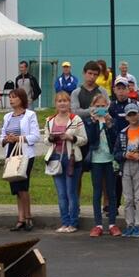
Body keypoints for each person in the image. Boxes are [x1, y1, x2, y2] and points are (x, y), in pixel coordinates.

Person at [44, 90, 87, 232]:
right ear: (56, 104)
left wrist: (70, 138)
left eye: (65, 101)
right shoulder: (50, 120)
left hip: (71, 158)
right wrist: (51, 138)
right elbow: (45, 140)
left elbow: (84, 140)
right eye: (59, 101)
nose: (62, 103)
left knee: (71, 192)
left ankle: (73, 223)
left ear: (69, 103)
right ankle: (64, 222)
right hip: (55, 158)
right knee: (61, 193)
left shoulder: (76, 119)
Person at [0, 87, 40, 231]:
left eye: (14, 97)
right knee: (16, 188)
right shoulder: (7, 117)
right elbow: (2, 136)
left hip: (25, 153)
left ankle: (28, 217)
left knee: (23, 186)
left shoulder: (30, 115)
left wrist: (19, 138)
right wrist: (6, 139)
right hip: (11, 152)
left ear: (21, 99)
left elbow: (35, 136)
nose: (11, 99)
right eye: (10, 97)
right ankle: (20, 218)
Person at [113, 102, 139, 237]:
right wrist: (125, 155)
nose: (132, 117)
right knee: (128, 198)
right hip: (125, 166)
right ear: (126, 117)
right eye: (129, 115)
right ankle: (129, 224)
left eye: (134, 114)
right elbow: (116, 152)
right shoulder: (122, 133)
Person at [84, 93, 121, 237]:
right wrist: (94, 122)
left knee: (111, 192)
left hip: (110, 159)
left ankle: (112, 223)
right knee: (97, 192)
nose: (100, 109)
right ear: (92, 107)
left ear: (108, 106)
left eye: (103, 106)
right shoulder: (89, 121)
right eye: (97, 106)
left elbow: (115, 139)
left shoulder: (113, 120)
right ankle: (98, 224)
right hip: (96, 160)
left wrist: (109, 124)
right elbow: (91, 140)